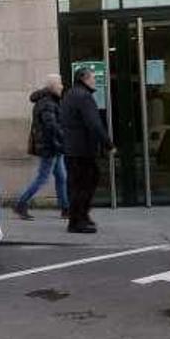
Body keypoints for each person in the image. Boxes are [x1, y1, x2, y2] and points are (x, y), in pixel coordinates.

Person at [60, 67, 114, 234]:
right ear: (84, 79)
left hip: (72, 149)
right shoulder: (84, 97)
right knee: (84, 184)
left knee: (80, 184)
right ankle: (77, 221)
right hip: (82, 149)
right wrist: (108, 144)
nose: (95, 80)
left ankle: (81, 216)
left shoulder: (70, 94)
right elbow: (94, 124)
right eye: (93, 77)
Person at [13, 74, 68, 221]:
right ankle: (21, 204)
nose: (62, 86)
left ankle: (66, 208)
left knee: (61, 177)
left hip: (55, 147)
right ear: (52, 87)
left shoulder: (51, 101)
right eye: (60, 84)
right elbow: (50, 125)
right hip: (50, 147)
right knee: (42, 178)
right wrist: (64, 137)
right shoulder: (47, 102)